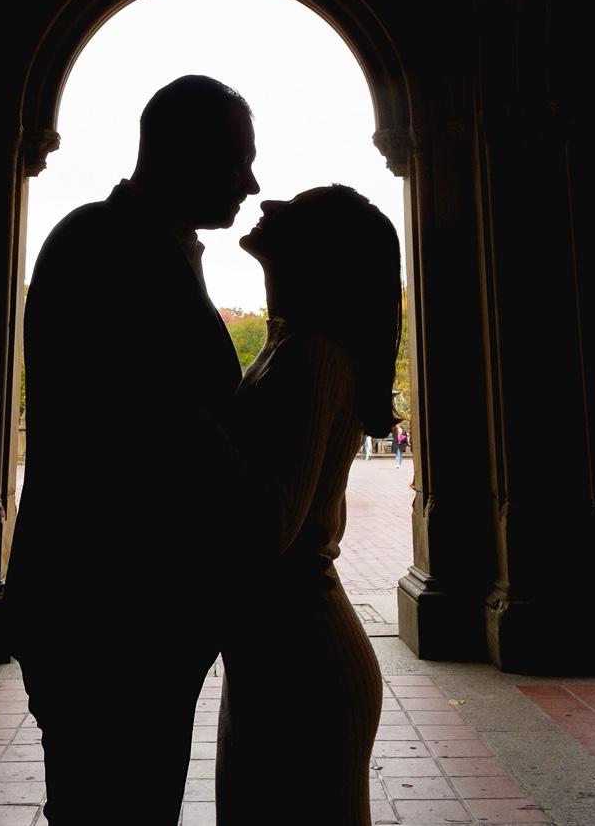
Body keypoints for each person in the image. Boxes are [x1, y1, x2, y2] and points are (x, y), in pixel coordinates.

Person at [4, 75, 260, 826]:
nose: (250, 183)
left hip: (121, 612)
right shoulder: (105, 246)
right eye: (237, 161)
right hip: (110, 617)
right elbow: (161, 435)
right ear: (184, 151)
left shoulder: (125, 241)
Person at [217, 185, 400, 826]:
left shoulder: (314, 355)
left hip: (301, 657)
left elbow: (269, 524)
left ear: (323, 254)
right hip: (281, 646)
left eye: (297, 209)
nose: (268, 204)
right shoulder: (291, 344)